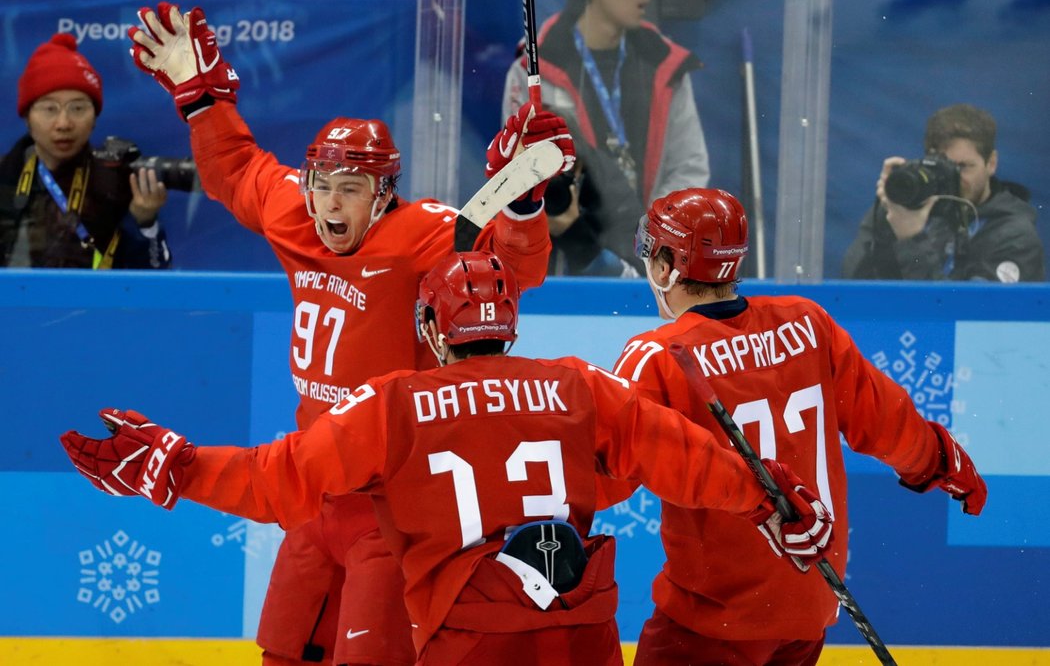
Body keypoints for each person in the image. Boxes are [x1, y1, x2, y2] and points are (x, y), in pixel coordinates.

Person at [59, 250, 834, 666]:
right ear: (510, 322)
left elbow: (279, 481)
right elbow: (689, 458)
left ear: (432, 327)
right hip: (583, 629)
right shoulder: (578, 384)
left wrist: (179, 467)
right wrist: (774, 497)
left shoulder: (392, 402)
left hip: (470, 644)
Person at [127, 1, 575, 666]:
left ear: (385, 192)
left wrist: (522, 197)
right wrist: (199, 99)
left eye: (351, 188)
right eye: (323, 184)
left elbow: (516, 267)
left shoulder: (424, 234)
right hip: (313, 494)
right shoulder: (296, 214)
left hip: (389, 507)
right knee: (283, 652)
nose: (330, 204)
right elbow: (237, 171)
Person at [611, 188, 988, 665]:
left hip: (711, 624)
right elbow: (887, 422)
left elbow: (606, 472)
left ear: (668, 267)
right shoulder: (806, 324)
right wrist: (940, 460)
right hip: (807, 608)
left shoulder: (658, 356)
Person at [502, 0, 710, 276]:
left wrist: (648, 245)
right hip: (559, 274)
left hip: (649, 272)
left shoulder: (664, 63)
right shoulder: (534, 68)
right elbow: (518, 177)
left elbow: (688, 168)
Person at [1, 33, 171, 269]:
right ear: (27, 117)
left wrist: (145, 223)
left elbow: (153, 283)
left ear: (94, 118)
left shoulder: (116, 181)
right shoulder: (5, 176)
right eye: (50, 109)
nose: (63, 123)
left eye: (78, 108)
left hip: (96, 304)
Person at [842, 103, 1044, 282]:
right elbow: (851, 286)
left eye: (964, 166)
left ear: (991, 163)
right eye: (944, 167)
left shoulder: (1015, 236)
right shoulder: (908, 212)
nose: (955, 179)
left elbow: (965, 315)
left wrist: (910, 240)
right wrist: (886, 217)